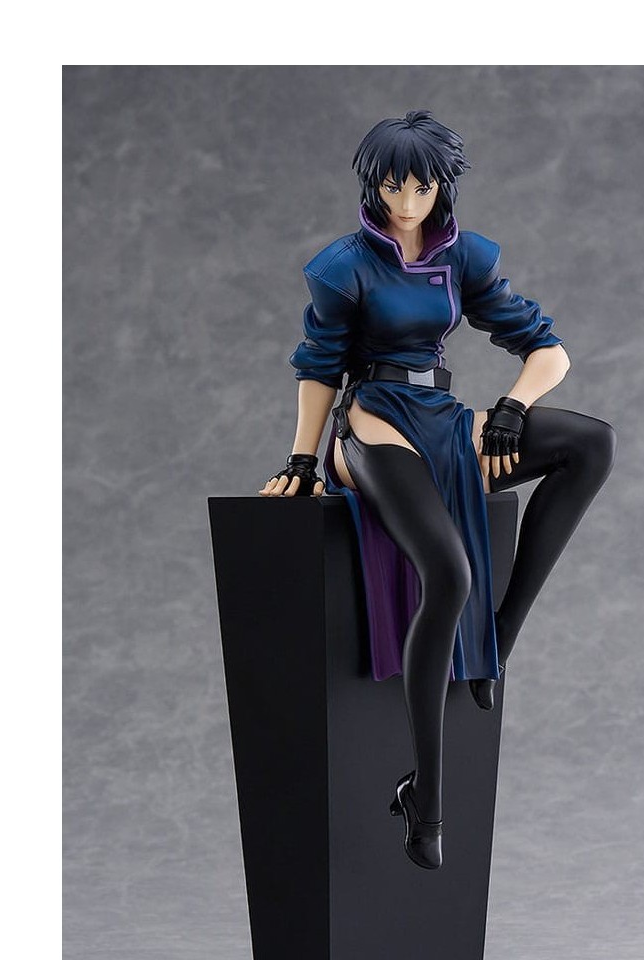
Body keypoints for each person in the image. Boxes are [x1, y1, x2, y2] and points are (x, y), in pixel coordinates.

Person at [260, 111, 616, 871]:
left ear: (441, 187)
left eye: (421, 188)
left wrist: (512, 408)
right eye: (394, 185)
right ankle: (425, 793)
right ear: (374, 184)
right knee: (448, 575)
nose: (407, 201)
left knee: (591, 444)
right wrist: (301, 459)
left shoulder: (464, 256)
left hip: (445, 417)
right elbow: (319, 365)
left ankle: (500, 639)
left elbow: (549, 350)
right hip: (375, 420)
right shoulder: (343, 266)